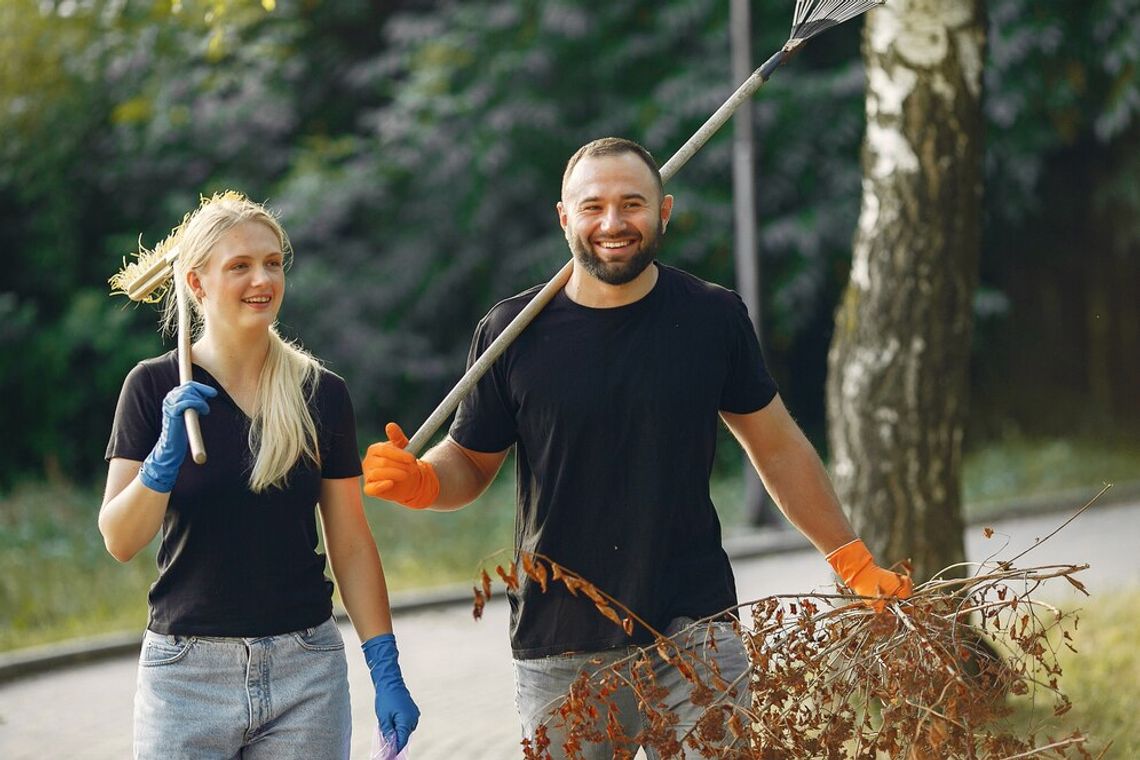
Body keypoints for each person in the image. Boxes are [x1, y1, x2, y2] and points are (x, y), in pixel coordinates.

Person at [361, 137, 910, 757]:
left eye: (632, 204)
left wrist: (852, 560)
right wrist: (424, 482)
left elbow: (777, 447)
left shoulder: (711, 317)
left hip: (694, 623)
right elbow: (467, 461)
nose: (613, 223)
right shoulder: (512, 333)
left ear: (664, 210)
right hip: (562, 641)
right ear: (565, 217)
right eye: (592, 207)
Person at [99, 191, 419, 759]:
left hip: (307, 674)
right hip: (185, 678)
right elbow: (120, 539)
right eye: (240, 266)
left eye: (272, 263)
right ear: (196, 284)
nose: (262, 280)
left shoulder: (321, 393)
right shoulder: (151, 388)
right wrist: (160, 463)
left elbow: (348, 541)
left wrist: (384, 666)